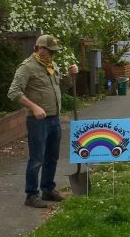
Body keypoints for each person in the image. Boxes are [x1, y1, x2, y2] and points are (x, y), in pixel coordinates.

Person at [7, 35, 79, 208]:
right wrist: (34, 107)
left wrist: (70, 75)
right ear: (39, 48)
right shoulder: (27, 67)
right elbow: (13, 92)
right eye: (50, 51)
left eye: (54, 52)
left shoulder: (51, 65)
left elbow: (59, 87)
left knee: (52, 157)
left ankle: (47, 189)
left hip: (54, 119)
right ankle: (31, 195)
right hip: (38, 121)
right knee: (37, 158)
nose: (53, 55)